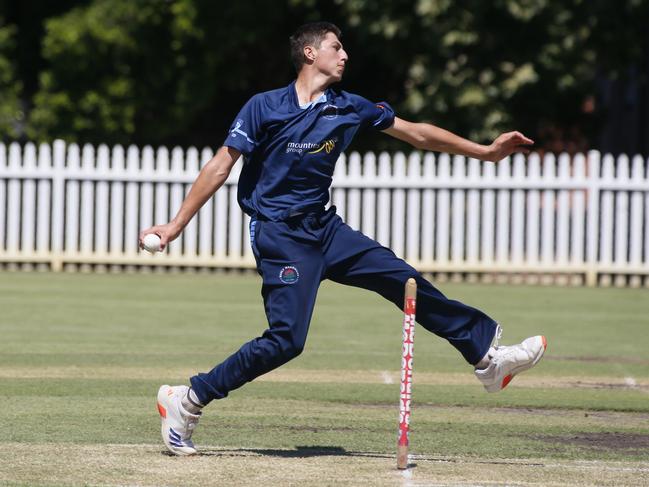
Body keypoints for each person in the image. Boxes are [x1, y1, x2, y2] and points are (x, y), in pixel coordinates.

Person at [141, 22, 546, 456]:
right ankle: (187, 400)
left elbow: (418, 133)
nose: (346, 55)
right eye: (337, 47)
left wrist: (484, 152)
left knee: (403, 279)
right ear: (310, 54)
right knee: (286, 341)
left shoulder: (349, 107)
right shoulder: (263, 107)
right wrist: (175, 225)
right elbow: (221, 166)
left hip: (326, 229)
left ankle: (487, 359)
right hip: (280, 235)